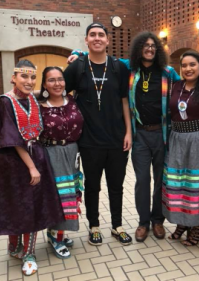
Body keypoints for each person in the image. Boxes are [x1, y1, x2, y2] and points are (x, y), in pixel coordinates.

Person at [69, 31, 180, 242]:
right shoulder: (129, 68)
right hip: (139, 135)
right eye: (145, 45)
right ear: (138, 49)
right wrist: (78, 53)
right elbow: (98, 54)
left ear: (158, 49)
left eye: (153, 46)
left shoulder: (168, 73)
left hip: (162, 135)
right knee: (142, 180)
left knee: (160, 180)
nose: (149, 49)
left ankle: (158, 221)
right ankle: (143, 222)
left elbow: (188, 86)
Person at [0, 60, 65, 276]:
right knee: (16, 205)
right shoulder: (4, 101)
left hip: (36, 155)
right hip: (14, 161)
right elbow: (12, 138)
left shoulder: (33, 99)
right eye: (23, 76)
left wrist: (75, 59)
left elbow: (58, 87)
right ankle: (14, 246)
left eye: (32, 77)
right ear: (13, 78)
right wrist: (32, 167)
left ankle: (28, 254)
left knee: (32, 206)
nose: (28, 81)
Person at [63, 23, 133, 246]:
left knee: (116, 186)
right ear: (86, 40)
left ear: (107, 40)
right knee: (92, 186)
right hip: (89, 141)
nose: (97, 38)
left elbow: (125, 101)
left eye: (101, 35)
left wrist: (129, 132)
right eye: (92, 35)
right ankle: (94, 226)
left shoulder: (118, 67)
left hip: (116, 139)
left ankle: (117, 225)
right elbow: (58, 93)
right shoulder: (77, 67)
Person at [163, 51, 199, 246]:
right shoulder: (176, 86)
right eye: (184, 65)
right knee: (177, 182)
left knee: (196, 183)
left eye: (192, 64)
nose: (187, 69)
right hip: (177, 139)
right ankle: (182, 221)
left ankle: (197, 226)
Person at [37, 66, 84, 259]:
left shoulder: (72, 100)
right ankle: (56, 238)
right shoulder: (39, 105)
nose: (57, 83)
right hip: (51, 154)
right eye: (51, 80)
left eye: (60, 79)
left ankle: (57, 234)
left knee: (71, 195)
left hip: (72, 152)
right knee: (58, 197)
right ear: (45, 84)